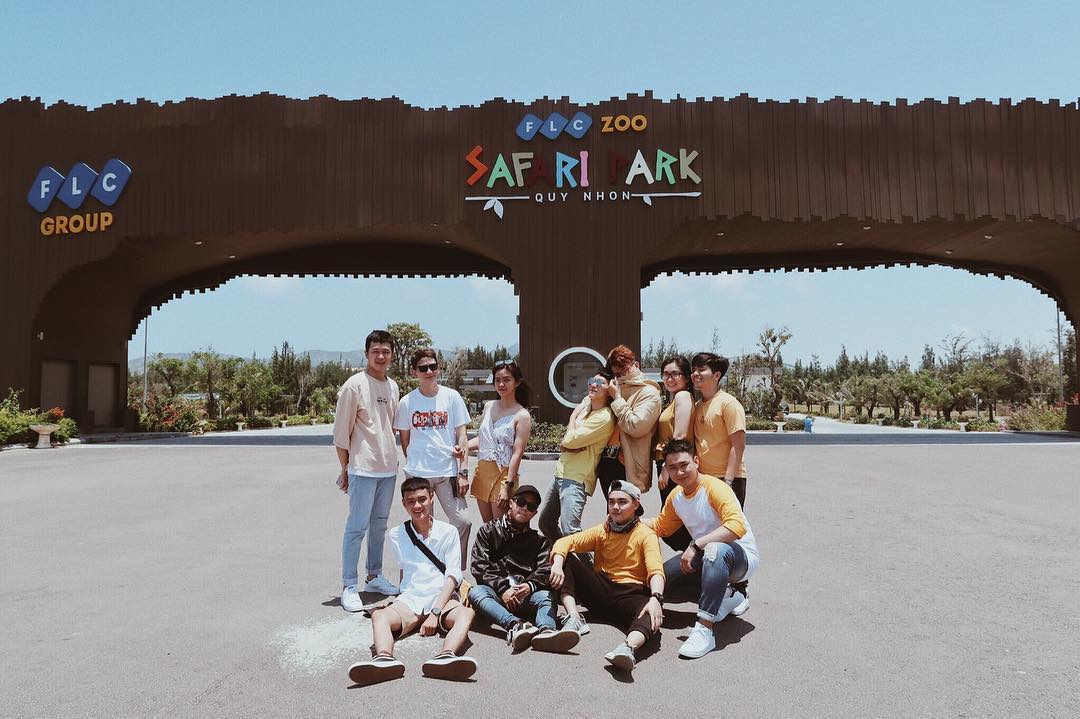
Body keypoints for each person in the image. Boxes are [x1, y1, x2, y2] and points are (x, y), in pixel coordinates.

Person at [347, 477, 477, 685]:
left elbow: (453, 575)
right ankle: (384, 659)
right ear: (404, 504)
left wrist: (435, 613)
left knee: (466, 614)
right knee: (380, 616)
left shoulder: (449, 532)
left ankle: (446, 656)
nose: (417, 506)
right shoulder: (396, 534)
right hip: (411, 600)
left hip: (441, 599)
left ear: (432, 498)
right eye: (411, 501)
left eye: (422, 499)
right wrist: (398, 602)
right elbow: (405, 570)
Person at [647, 439, 759, 659]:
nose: (679, 472)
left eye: (684, 465)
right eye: (672, 467)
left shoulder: (714, 487)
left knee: (715, 550)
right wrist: (627, 520)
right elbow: (660, 526)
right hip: (707, 557)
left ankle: (705, 630)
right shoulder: (676, 497)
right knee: (661, 584)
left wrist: (696, 545)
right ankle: (729, 595)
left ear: (696, 461)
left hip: (740, 558)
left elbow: (736, 527)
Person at [548, 480, 665, 673]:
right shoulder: (603, 530)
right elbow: (565, 542)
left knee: (651, 611)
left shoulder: (646, 534)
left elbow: (656, 571)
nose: (615, 507)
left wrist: (656, 598)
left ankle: (627, 649)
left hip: (630, 596)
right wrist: (558, 564)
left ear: (636, 504)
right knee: (563, 556)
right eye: (611, 502)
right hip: (601, 592)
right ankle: (574, 617)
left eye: (622, 502)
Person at [334, 329, 401, 612]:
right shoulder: (354, 385)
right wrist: (345, 469)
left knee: (379, 525)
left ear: (392, 355)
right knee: (356, 528)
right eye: (375, 352)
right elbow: (341, 434)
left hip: (388, 468)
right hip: (363, 468)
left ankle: (374, 576)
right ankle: (349, 585)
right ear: (366, 354)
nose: (381, 356)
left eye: (385, 351)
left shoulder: (393, 386)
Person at [468, 484, 581, 653]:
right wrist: (502, 589)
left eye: (531, 506)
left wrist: (530, 586)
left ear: (534, 513)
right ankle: (514, 626)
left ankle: (547, 632)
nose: (525, 508)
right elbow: (479, 565)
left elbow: (545, 569)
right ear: (511, 503)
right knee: (476, 593)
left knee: (546, 596)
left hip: (525, 595)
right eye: (520, 502)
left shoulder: (539, 541)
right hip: (497, 595)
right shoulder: (488, 531)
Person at [394, 348, 472, 570]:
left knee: (463, 521)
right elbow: (405, 441)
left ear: (439, 368)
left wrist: (463, 471)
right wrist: (416, 463)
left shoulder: (452, 397)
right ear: (414, 372)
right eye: (423, 368)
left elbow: (462, 435)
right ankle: (428, 572)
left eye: (433, 367)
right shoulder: (407, 402)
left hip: (448, 473)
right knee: (424, 526)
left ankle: (455, 571)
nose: (429, 371)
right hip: (419, 474)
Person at [689, 351, 752, 612]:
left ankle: (740, 591)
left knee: (729, 534)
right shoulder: (697, 406)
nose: (695, 374)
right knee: (708, 534)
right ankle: (719, 587)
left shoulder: (728, 404)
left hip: (728, 479)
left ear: (717, 375)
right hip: (705, 480)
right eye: (694, 369)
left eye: (701, 370)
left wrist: (727, 480)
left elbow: (738, 445)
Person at [537, 370, 616, 541]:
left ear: (609, 391)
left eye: (600, 383)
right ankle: (566, 555)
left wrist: (573, 416)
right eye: (591, 380)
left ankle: (585, 560)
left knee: (570, 530)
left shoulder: (605, 417)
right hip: (561, 472)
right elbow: (569, 441)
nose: (593, 384)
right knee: (546, 523)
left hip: (577, 477)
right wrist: (569, 442)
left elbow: (570, 440)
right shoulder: (587, 402)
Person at [467, 360, 532, 523]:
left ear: (517, 382)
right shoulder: (489, 406)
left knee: (501, 527)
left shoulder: (522, 415)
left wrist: (508, 485)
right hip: (483, 472)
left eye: (507, 380)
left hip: (503, 474)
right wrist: (463, 447)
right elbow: (485, 439)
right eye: (497, 380)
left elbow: (517, 453)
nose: (501, 384)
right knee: (488, 526)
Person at [597, 345, 662, 498]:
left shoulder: (648, 392)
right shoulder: (613, 386)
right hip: (605, 458)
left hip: (627, 462)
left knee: (626, 507)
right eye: (617, 373)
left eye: (625, 370)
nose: (622, 376)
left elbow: (636, 426)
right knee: (612, 506)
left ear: (636, 365)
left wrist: (617, 398)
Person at [652, 355, 695, 551]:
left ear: (686, 377)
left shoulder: (682, 396)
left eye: (675, 374)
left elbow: (680, 434)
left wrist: (667, 468)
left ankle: (695, 557)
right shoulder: (673, 400)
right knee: (675, 517)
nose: (669, 379)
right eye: (666, 374)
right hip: (669, 462)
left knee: (675, 523)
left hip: (674, 463)